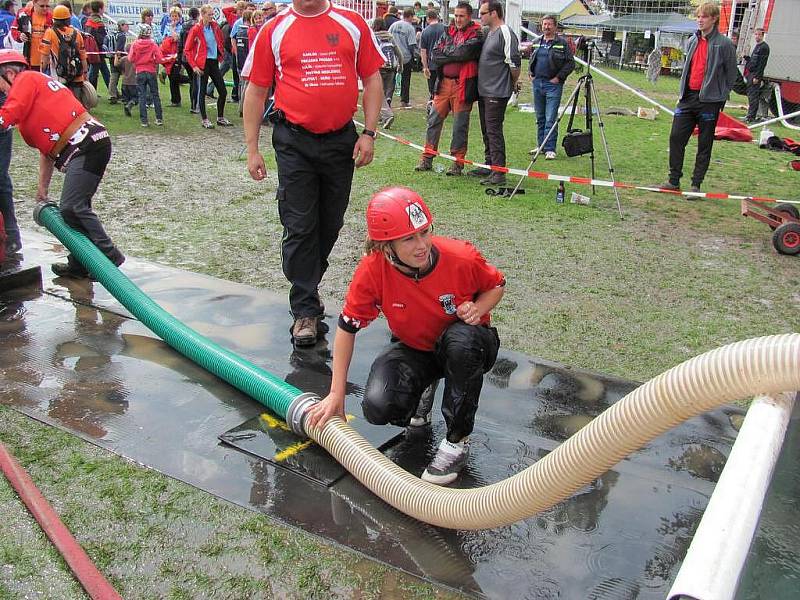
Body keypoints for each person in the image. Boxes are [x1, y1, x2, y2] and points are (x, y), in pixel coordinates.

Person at [305, 187, 504, 485]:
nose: (422, 245)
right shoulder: (373, 270)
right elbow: (347, 329)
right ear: (385, 246)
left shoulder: (460, 256)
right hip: (415, 346)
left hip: (468, 346)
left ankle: (456, 441)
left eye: (425, 232)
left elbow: (497, 283)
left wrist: (478, 308)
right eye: (409, 238)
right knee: (378, 405)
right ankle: (423, 390)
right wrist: (335, 393)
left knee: (461, 343)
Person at [242, 0, 384, 347]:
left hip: (340, 141)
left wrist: (369, 133)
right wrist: (252, 148)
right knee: (300, 224)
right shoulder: (273, 30)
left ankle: (308, 285)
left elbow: (372, 78)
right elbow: (257, 90)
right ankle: (305, 309)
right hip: (294, 142)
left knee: (329, 223)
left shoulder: (352, 24)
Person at [0, 49, 124, 277]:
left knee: (72, 207)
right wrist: (42, 188)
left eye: (2, 87)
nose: (4, 93)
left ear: (9, 73)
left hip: (88, 144)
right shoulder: (32, 104)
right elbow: (46, 152)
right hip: (84, 147)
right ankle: (79, 263)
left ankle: (109, 254)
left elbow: (7, 114)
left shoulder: (27, 79)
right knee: (70, 210)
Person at [661, 2, 736, 194]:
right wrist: (682, 94)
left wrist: (721, 97)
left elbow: (731, 75)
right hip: (687, 98)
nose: (700, 20)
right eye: (698, 16)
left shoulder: (724, 44)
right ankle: (673, 180)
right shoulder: (692, 41)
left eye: (704, 16)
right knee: (676, 137)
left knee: (704, 144)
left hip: (709, 102)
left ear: (714, 19)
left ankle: (696, 184)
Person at [415, 1, 482, 176]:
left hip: (463, 85)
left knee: (460, 126)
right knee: (433, 120)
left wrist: (450, 53)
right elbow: (435, 54)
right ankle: (426, 158)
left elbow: (464, 53)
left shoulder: (477, 34)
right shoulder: (448, 32)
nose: (458, 19)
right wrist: (454, 55)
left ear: (469, 16)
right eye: (456, 16)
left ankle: (457, 163)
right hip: (443, 83)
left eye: (462, 16)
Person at [475, 0, 519, 186]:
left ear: (494, 13)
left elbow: (514, 63)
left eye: (483, 13)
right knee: (487, 130)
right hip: (484, 91)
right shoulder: (489, 33)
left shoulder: (505, 33)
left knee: (494, 131)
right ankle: (489, 164)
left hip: (497, 92)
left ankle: (499, 173)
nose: (480, 16)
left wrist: (513, 82)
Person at [528, 14, 574, 160]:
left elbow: (570, 63)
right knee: (540, 117)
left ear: (555, 26)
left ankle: (550, 148)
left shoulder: (562, 43)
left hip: (553, 85)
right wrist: (531, 73)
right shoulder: (536, 42)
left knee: (550, 118)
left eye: (549, 24)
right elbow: (531, 59)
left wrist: (559, 77)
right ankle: (541, 145)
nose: (546, 27)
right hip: (538, 83)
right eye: (544, 24)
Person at [184, 4, 231, 129]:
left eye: (212, 14)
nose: (212, 16)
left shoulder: (215, 26)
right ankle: (204, 119)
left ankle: (220, 117)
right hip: (202, 63)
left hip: (214, 61)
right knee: (202, 91)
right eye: (209, 14)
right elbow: (187, 49)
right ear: (203, 14)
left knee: (223, 91)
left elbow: (220, 41)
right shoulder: (196, 29)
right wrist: (194, 66)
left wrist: (221, 54)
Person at [39, 3, 86, 101]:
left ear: (54, 18)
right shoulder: (77, 33)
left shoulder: (50, 33)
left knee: (60, 103)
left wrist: (41, 72)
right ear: (68, 19)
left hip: (58, 76)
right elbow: (83, 56)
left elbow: (45, 57)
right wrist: (84, 73)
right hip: (77, 76)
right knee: (76, 104)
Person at [127, 24, 164, 127]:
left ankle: (144, 121)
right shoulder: (153, 44)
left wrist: (138, 60)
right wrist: (153, 61)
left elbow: (130, 59)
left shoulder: (135, 44)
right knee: (155, 95)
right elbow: (159, 58)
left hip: (140, 71)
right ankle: (159, 118)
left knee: (142, 96)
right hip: (151, 71)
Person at [372, 17, 403, 129]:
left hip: (379, 67)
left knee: (378, 93)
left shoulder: (374, 36)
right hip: (391, 67)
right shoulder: (390, 36)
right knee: (386, 91)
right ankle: (383, 114)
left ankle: (387, 115)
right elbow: (398, 52)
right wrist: (400, 65)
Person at [11, 0, 53, 72]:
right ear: (34, 3)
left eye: (47, 6)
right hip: (29, 59)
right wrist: (20, 35)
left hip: (47, 62)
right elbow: (13, 30)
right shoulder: (23, 14)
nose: (45, 8)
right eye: (42, 6)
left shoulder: (51, 16)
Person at [388, 7, 417, 108]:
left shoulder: (394, 25)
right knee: (405, 79)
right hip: (405, 57)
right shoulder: (410, 28)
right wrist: (414, 56)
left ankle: (388, 98)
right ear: (410, 16)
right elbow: (412, 44)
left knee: (391, 79)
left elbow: (388, 38)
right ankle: (404, 100)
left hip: (393, 56)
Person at [419, 9, 445, 111]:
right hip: (444, 63)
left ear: (428, 18)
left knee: (432, 87)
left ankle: (433, 105)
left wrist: (425, 67)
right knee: (444, 86)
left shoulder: (425, 32)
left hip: (432, 64)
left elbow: (423, 51)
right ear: (437, 17)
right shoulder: (445, 29)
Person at [83, 1, 109, 95]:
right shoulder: (98, 23)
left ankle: (113, 92)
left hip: (90, 49)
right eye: (103, 8)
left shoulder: (88, 20)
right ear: (99, 9)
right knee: (94, 73)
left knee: (104, 71)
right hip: (97, 51)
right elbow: (101, 38)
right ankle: (90, 92)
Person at [744, 27, 770, 123]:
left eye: (759, 35)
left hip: (755, 75)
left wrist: (757, 77)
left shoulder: (764, 47)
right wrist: (747, 58)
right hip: (751, 73)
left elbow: (762, 64)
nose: (757, 36)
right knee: (750, 95)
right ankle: (749, 114)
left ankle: (751, 116)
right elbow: (754, 61)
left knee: (753, 96)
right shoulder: (757, 46)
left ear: (762, 36)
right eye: (756, 34)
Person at [178, 5, 199, 114]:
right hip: (194, 56)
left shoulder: (184, 26)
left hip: (185, 57)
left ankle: (193, 104)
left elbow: (180, 44)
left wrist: (179, 58)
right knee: (195, 81)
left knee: (192, 80)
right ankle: (194, 104)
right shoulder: (198, 26)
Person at [107, 19, 129, 105]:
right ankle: (122, 94)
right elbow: (119, 48)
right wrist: (118, 58)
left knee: (114, 76)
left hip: (112, 57)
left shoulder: (115, 34)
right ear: (121, 26)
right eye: (126, 25)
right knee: (124, 76)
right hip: (119, 58)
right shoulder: (122, 36)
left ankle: (113, 94)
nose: (128, 27)